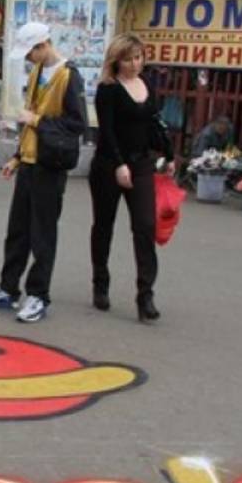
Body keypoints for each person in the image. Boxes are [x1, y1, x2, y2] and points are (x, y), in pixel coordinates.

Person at [0, 22, 86, 323]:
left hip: (50, 165)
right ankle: (8, 288)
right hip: (30, 160)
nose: (28, 59)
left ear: (43, 45)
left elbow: (76, 124)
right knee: (18, 230)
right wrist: (17, 157)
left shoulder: (69, 75)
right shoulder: (38, 71)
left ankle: (38, 294)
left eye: (30, 53)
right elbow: (30, 119)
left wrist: (35, 120)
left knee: (43, 234)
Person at [89, 34, 174, 323]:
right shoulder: (108, 89)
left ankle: (145, 295)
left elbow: (154, 123)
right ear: (116, 61)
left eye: (138, 57)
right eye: (128, 59)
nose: (135, 64)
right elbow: (107, 131)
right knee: (104, 225)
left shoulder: (146, 84)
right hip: (109, 165)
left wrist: (168, 154)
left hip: (141, 165)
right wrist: (118, 164)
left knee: (145, 226)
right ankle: (100, 283)